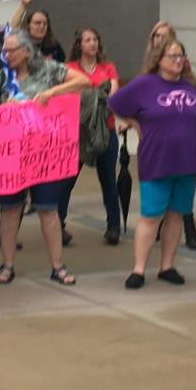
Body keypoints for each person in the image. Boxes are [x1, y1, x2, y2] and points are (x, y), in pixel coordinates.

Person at [0, 29, 91, 286]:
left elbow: (83, 81)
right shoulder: (3, 77)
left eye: (11, 50)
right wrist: (5, 108)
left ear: (26, 51)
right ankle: (7, 264)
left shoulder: (48, 69)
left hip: (43, 154)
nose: (7, 54)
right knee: (10, 210)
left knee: (48, 210)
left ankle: (58, 266)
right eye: (5, 51)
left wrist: (52, 94)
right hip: (13, 154)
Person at [110, 36, 196, 290]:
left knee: (176, 214)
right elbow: (115, 102)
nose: (178, 61)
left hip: (188, 161)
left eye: (181, 57)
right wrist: (133, 123)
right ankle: (139, 269)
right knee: (151, 215)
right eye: (173, 57)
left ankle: (167, 265)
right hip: (157, 160)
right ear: (159, 60)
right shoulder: (145, 84)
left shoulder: (191, 86)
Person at [144, 19, 196, 251]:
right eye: (156, 36)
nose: (160, 40)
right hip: (159, 144)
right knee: (158, 194)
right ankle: (157, 230)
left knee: (181, 199)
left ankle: (189, 231)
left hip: (183, 143)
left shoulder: (182, 70)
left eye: (165, 36)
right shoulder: (150, 71)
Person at [71, 27, 122, 243]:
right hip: (78, 132)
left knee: (108, 179)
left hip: (105, 130)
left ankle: (113, 226)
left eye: (95, 39)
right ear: (79, 45)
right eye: (87, 40)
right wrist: (95, 94)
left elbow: (113, 95)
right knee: (67, 180)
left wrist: (88, 94)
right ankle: (59, 222)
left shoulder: (108, 68)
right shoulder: (70, 68)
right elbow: (70, 94)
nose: (92, 43)